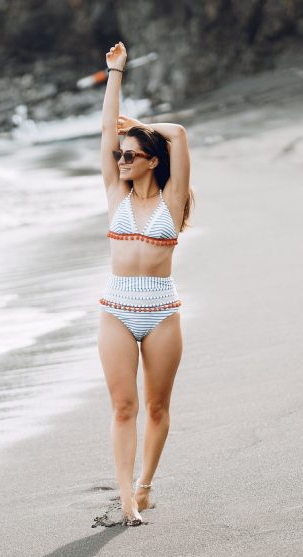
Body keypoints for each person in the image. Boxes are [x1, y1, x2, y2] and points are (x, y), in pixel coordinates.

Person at [98, 41, 194, 527]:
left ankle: (146, 485)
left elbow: (176, 134)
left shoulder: (171, 202)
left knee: (156, 406)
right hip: (116, 307)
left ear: (152, 161)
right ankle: (124, 497)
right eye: (119, 155)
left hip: (161, 311)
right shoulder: (115, 191)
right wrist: (115, 73)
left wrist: (141, 129)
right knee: (123, 405)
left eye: (131, 155)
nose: (121, 160)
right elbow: (106, 130)